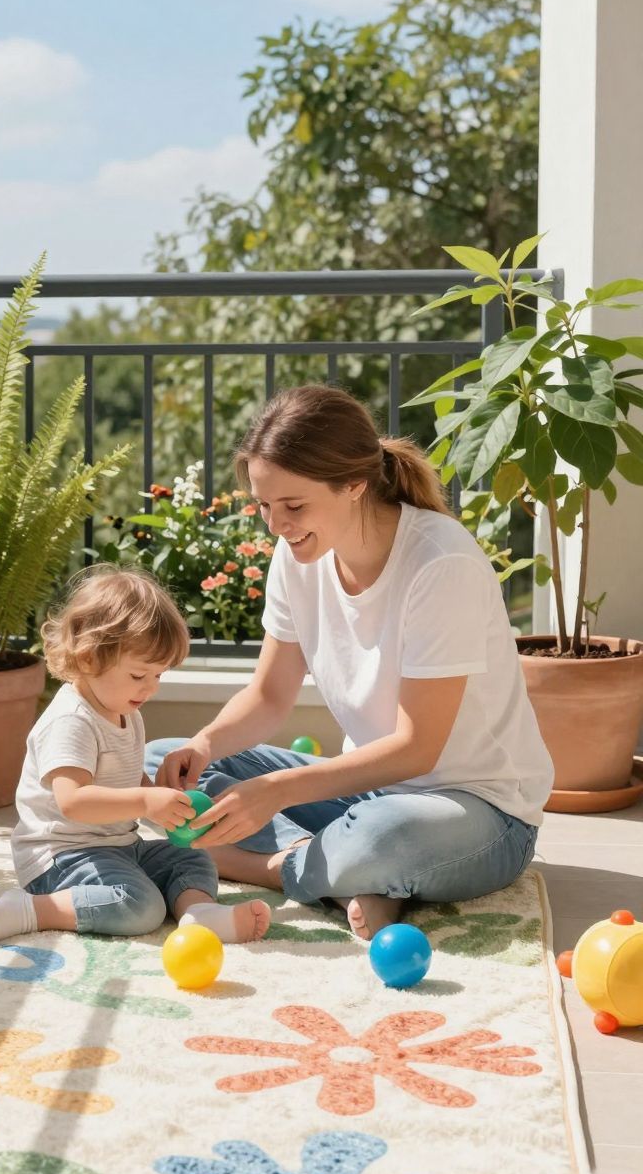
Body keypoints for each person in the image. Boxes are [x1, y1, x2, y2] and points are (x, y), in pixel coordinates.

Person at [149, 385, 553, 940]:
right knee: (160, 764)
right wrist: (204, 744)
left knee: (379, 840)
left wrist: (280, 792)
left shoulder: (441, 564)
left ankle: (258, 865)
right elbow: (269, 697)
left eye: (293, 506)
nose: (276, 526)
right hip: (366, 792)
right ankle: (342, 877)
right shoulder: (297, 559)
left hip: (477, 812)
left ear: (355, 485)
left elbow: (418, 748)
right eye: (264, 506)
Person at [0, 565, 271, 946]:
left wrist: (168, 804)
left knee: (193, 860)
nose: (150, 688)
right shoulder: (71, 721)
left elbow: (130, 782)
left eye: (159, 676)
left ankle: (199, 914)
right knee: (140, 906)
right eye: (138, 676)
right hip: (62, 857)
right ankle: (33, 908)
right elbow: (73, 801)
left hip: (117, 846)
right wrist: (146, 802)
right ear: (88, 658)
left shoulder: (125, 711)